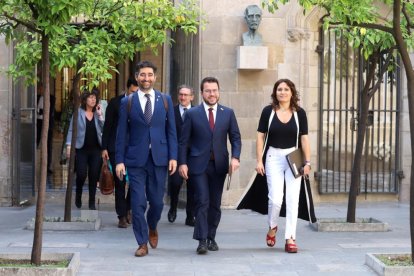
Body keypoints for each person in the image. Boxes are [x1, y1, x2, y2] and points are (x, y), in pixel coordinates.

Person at [115, 61, 177, 257]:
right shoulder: (128, 102)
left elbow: (172, 132)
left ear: (155, 77)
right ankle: (142, 242)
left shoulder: (165, 100)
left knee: (157, 203)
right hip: (135, 160)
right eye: (143, 75)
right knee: (137, 203)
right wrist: (119, 160)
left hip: (159, 158)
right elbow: (121, 133)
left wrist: (173, 156)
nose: (146, 78)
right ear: (137, 76)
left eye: (150, 75)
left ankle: (152, 226)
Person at [178, 77, 242, 255]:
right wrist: (182, 163)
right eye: (208, 91)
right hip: (198, 166)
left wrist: (235, 157)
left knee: (214, 204)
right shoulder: (192, 114)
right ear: (202, 93)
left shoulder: (228, 113)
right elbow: (183, 142)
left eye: (214, 90)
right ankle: (201, 240)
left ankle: (211, 237)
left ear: (219, 92)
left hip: (219, 166)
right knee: (202, 201)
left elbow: (235, 138)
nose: (212, 94)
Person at [255, 79, 311, 253]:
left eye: (286, 89)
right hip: (273, 157)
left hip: (294, 156)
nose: (283, 92)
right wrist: (259, 161)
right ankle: (273, 227)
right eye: (279, 89)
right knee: (275, 199)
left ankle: (290, 238)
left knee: (293, 199)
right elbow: (260, 137)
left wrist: (307, 162)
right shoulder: (268, 112)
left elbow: (304, 138)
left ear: (292, 93)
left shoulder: (299, 113)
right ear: (275, 92)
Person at [102, 77, 138, 228]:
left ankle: (129, 208)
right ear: (126, 88)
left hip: (134, 148)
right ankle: (121, 215)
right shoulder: (115, 103)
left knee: (135, 182)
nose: (134, 95)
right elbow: (108, 126)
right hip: (116, 148)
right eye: (132, 91)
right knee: (120, 182)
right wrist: (104, 147)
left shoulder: (140, 104)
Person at [66, 89, 104, 210]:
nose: (93, 100)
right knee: (81, 174)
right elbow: (71, 130)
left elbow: (104, 129)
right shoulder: (78, 112)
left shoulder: (98, 113)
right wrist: (68, 145)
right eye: (91, 97)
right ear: (85, 99)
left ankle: (92, 202)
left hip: (96, 149)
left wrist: (100, 116)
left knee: (94, 175)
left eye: (95, 98)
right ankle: (78, 195)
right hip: (81, 149)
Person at [167, 85, 196, 226]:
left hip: (193, 155)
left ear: (192, 97)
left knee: (193, 186)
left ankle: (190, 216)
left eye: (186, 95)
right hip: (176, 154)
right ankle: (173, 206)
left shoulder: (197, 112)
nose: (183, 97)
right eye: (181, 94)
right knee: (175, 183)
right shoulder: (171, 112)